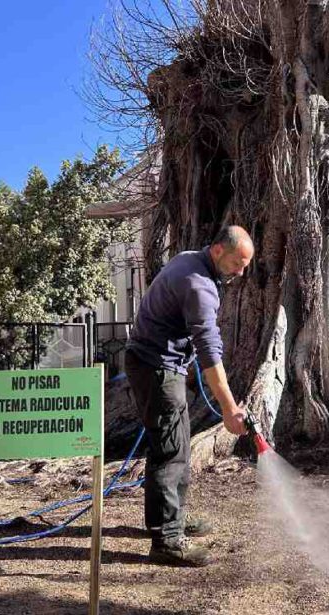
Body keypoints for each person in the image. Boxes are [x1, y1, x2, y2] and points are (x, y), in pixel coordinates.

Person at [124, 226, 253, 567]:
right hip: (156, 367)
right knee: (170, 450)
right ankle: (167, 541)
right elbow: (210, 351)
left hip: (154, 362)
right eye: (238, 263)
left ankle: (170, 519)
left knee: (174, 444)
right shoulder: (199, 285)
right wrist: (229, 409)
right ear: (217, 251)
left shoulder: (188, 260)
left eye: (245, 265)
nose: (241, 273)